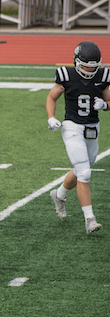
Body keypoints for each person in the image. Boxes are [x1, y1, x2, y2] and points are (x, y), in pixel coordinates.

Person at [46, 40, 110, 233]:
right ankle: (89, 219)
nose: (90, 71)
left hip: (92, 127)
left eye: (93, 67)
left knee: (83, 167)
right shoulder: (66, 75)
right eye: (86, 67)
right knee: (84, 172)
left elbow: (109, 99)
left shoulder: (103, 75)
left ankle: (59, 194)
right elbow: (51, 97)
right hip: (72, 126)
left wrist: (106, 105)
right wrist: (51, 118)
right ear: (76, 61)